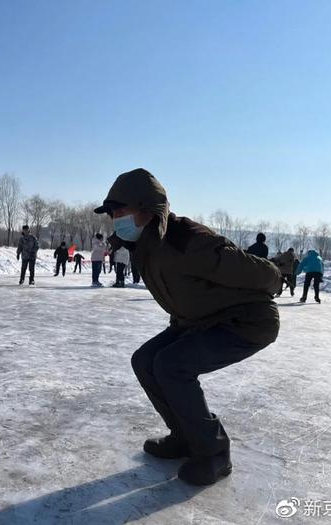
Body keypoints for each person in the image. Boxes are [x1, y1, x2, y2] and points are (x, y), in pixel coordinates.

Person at [95, 168, 281, 486]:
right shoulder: (144, 245)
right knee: (145, 360)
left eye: (120, 210)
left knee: (171, 365)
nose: (115, 219)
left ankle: (215, 453)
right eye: (112, 213)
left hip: (247, 320)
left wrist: (276, 277)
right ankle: (183, 436)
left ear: (146, 208)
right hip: (199, 320)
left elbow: (254, 271)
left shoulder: (188, 242)